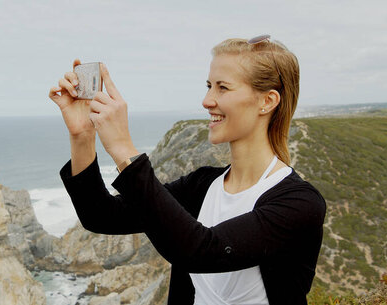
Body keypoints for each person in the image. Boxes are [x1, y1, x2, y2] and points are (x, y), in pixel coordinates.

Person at [48, 35, 326, 305]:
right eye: (209, 86)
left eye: (222, 87)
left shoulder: (300, 204)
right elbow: (101, 216)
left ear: (267, 101)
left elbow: (200, 251)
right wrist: (82, 134)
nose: (207, 100)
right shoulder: (201, 185)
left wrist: (123, 149)